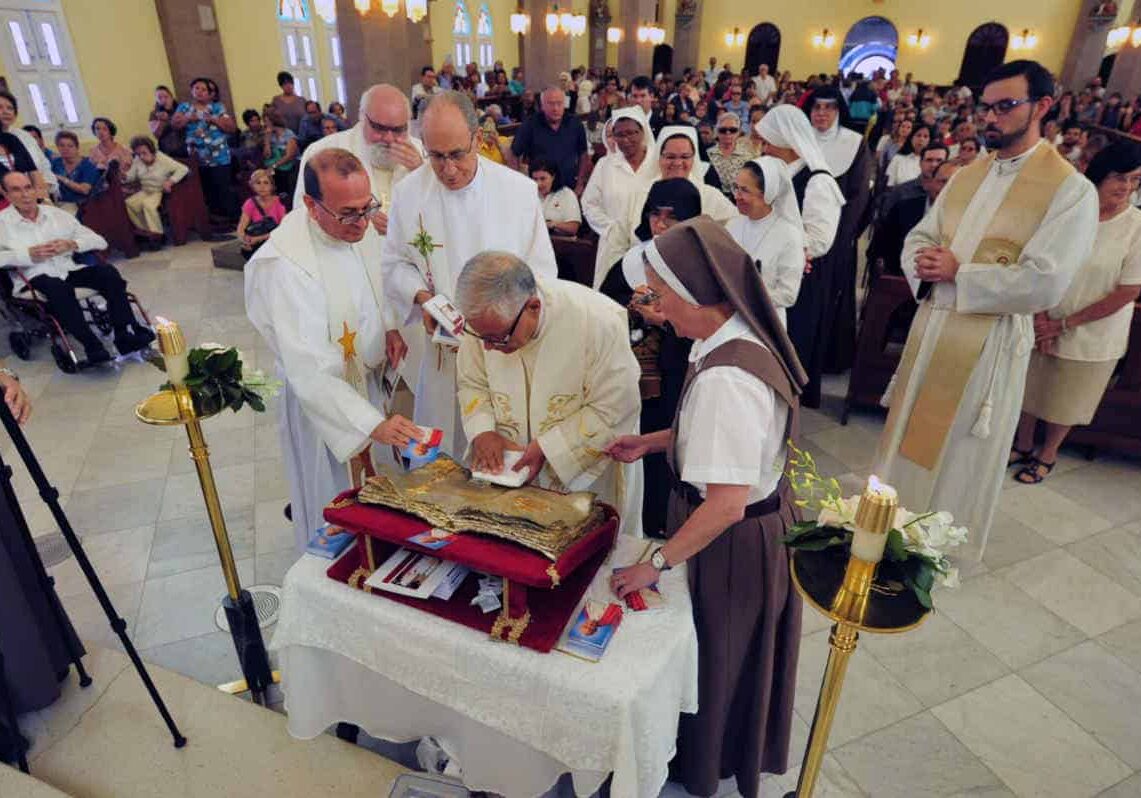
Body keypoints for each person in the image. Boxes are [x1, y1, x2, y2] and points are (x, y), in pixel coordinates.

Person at [605, 217, 805, 798]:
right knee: (721, 651)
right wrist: (653, 442)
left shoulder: (728, 380)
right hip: (742, 528)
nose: (656, 310)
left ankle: (706, 765)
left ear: (695, 294)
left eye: (659, 296)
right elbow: (723, 440)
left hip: (731, 543)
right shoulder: (730, 338)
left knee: (719, 655)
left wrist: (655, 564)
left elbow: (725, 505)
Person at [876, 60, 1099, 559]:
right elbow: (920, 236)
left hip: (988, 344)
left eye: (1005, 106)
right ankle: (889, 528)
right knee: (910, 435)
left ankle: (932, 552)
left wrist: (961, 273)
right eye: (986, 107)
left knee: (958, 449)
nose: (990, 117)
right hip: (934, 326)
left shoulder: (1069, 191)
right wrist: (925, 263)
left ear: (1042, 106)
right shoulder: (968, 175)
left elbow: (1047, 281)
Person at [246, 149, 419, 551]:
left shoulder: (355, 228)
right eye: (348, 214)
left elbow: (372, 282)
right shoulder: (285, 266)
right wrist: (368, 423)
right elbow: (307, 367)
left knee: (381, 499)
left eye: (367, 208)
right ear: (310, 204)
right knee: (332, 498)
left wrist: (388, 326)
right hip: (322, 408)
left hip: (364, 386)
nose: (362, 223)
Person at [381, 91, 557, 457]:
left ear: (478, 140)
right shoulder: (408, 194)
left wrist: (512, 324)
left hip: (503, 350)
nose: (448, 169)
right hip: (443, 354)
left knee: (499, 456)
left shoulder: (518, 192)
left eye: (457, 154)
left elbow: (542, 273)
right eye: (436, 156)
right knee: (443, 454)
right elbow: (394, 264)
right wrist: (423, 298)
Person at [455, 252, 642, 535]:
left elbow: (615, 406)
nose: (489, 348)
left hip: (580, 475)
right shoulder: (484, 321)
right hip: (510, 471)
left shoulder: (598, 321)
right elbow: (472, 380)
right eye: (482, 338)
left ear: (533, 307)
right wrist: (483, 431)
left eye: (498, 338)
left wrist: (548, 448)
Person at [1012, 143, 1141, 483]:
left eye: (1135, 180)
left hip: (1091, 333)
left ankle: (1048, 454)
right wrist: (1042, 317)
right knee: (1029, 387)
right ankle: (1022, 444)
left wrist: (1063, 325)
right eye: (1120, 177)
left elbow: (1128, 290)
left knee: (1067, 400)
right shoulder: (1070, 210)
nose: (1127, 187)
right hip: (1041, 318)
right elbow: (1036, 257)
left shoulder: (1136, 227)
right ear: (1099, 174)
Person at [598, 179, 702, 537]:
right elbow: (603, 310)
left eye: (672, 217)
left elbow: (705, 327)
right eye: (655, 215)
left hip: (673, 377)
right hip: (631, 377)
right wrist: (631, 311)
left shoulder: (699, 268)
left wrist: (662, 319)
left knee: (665, 447)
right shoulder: (630, 264)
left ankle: (661, 518)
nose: (661, 224)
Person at [0, 171, 152, 364]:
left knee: (108, 273)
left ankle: (124, 335)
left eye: (28, 188)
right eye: (16, 190)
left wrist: (72, 244)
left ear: (35, 189)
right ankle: (92, 346)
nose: (25, 195)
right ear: (5, 193)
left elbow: (99, 241)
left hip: (67, 269)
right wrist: (27, 255)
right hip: (32, 276)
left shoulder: (56, 215)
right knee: (58, 289)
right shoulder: (3, 223)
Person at [756, 104, 845, 408]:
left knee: (793, 342)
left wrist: (780, 245)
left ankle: (786, 404)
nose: (764, 148)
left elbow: (819, 239)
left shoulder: (818, 180)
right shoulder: (780, 173)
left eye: (768, 142)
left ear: (787, 141)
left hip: (801, 275)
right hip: (772, 268)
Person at [804, 87, 875, 371]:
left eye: (829, 107)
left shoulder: (854, 143)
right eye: (816, 107)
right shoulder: (799, 140)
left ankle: (825, 359)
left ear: (838, 111)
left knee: (830, 295)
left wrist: (838, 235)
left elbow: (859, 195)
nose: (821, 113)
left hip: (837, 236)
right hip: (799, 234)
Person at [581, 106, 658, 287]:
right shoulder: (605, 165)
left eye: (631, 133)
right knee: (612, 293)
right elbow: (589, 203)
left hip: (651, 246)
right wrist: (609, 228)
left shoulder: (657, 164)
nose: (625, 140)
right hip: (613, 246)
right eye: (619, 134)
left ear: (643, 132)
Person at [727, 157, 806, 326]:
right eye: (735, 188)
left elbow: (788, 294)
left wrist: (746, 297)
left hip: (765, 322)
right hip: (729, 316)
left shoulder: (789, 235)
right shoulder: (733, 225)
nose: (737, 196)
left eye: (744, 190)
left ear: (766, 193)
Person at [629, 127, 736, 238]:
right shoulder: (641, 192)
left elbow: (735, 228)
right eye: (670, 157)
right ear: (659, 158)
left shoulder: (711, 196)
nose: (678, 163)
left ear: (694, 159)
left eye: (685, 157)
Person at [869, 158, 960, 279]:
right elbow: (878, 249)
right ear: (930, 183)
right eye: (943, 181)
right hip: (898, 279)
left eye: (955, 183)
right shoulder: (903, 209)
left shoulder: (966, 222)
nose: (947, 188)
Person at [172, 76, 237, 220]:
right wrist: (188, 118)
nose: (200, 92)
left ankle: (232, 219)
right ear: (191, 90)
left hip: (219, 156)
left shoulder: (217, 107)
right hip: (197, 157)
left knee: (223, 187)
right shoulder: (185, 107)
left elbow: (231, 128)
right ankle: (215, 220)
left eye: (203, 89)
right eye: (197, 88)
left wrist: (213, 119)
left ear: (209, 93)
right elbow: (175, 124)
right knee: (206, 190)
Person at [509, 86, 589, 194]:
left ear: (564, 104)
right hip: (540, 190)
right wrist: (518, 183)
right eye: (551, 104)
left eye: (559, 103)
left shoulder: (575, 123)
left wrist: (580, 184)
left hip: (570, 188)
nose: (555, 108)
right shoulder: (529, 125)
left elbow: (583, 154)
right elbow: (514, 154)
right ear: (542, 106)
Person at [123, 135, 189, 235]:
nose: (141, 157)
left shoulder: (161, 158)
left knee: (148, 205)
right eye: (138, 154)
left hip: (159, 190)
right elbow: (131, 177)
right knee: (129, 204)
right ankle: (146, 230)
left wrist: (170, 181)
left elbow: (183, 169)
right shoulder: (138, 160)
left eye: (144, 153)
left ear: (151, 150)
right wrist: (124, 175)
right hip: (145, 190)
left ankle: (158, 234)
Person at [0, 92, 49, 200]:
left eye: (10, 108)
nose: (6, 112)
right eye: (0, 107)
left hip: (26, 198)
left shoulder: (14, 138)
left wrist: (42, 198)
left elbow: (34, 171)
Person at [237, 170, 286, 260]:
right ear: (253, 186)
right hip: (257, 240)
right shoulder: (250, 203)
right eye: (258, 183)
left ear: (272, 186)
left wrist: (259, 238)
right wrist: (244, 240)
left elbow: (283, 230)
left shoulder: (280, 202)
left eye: (266, 183)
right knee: (246, 249)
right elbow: (241, 227)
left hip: (276, 239)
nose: (262, 186)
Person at [50, 131, 100, 214]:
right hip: (59, 203)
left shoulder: (88, 165)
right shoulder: (56, 163)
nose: (65, 149)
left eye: (70, 146)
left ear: (77, 147)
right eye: (61, 145)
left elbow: (84, 190)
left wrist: (63, 179)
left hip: (82, 205)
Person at [530, 159, 580, 236]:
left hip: (559, 240)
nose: (538, 184)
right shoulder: (529, 194)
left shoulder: (567, 194)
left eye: (543, 179)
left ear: (553, 177)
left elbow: (573, 228)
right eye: (535, 179)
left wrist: (553, 224)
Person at [707, 112, 748, 196]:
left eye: (733, 130)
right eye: (723, 130)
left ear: (739, 132)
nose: (728, 133)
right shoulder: (707, 154)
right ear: (717, 132)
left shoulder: (747, 155)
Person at [263, 109, 300, 197]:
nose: (265, 124)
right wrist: (267, 140)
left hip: (290, 166)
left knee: (279, 173)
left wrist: (274, 166)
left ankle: (285, 195)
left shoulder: (288, 134)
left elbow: (289, 156)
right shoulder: (270, 135)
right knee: (267, 174)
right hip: (277, 166)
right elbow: (267, 156)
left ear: (273, 121)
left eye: (266, 121)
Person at [149, 84, 186, 156]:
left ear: (171, 97)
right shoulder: (154, 114)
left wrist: (169, 119)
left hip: (185, 148)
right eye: (160, 98)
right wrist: (162, 121)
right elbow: (157, 134)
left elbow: (184, 125)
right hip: (167, 151)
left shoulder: (181, 109)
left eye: (166, 97)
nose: (163, 100)